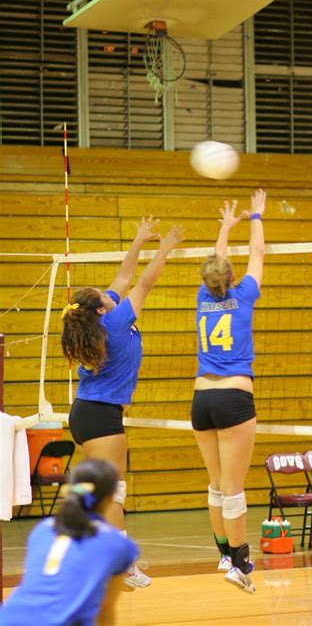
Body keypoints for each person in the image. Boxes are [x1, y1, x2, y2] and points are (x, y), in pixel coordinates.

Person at [61, 218, 183, 589]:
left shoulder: (103, 319)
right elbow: (144, 281)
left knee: (103, 491)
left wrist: (138, 239)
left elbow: (125, 275)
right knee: (114, 491)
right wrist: (165, 248)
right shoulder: (114, 321)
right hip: (100, 417)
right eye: (106, 293)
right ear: (102, 308)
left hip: (88, 414)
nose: (113, 290)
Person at [191, 190, 266, 595]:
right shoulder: (244, 295)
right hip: (234, 396)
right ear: (231, 278)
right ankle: (240, 564)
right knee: (234, 487)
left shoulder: (204, 296)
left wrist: (225, 225)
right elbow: (258, 251)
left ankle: (223, 553)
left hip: (201, 399)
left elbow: (217, 263)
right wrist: (256, 215)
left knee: (217, 484)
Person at [0, 459, 138, 626]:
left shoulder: (43, 529)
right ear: (111, 496)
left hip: (10, 618)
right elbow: (104, 610)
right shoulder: (116, 543)